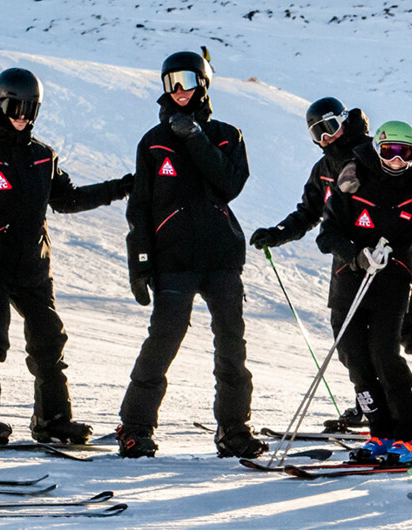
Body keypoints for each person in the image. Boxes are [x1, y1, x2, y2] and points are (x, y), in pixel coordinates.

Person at [249, 97, 412, 434]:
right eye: (318, 133)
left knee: (409, 334)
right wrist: (278, 234)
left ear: (344, 122)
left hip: (394, 263)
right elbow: (310, 213)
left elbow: (406, 194)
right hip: (349, 263)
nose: (327, 137)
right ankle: (371, 402)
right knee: (351, 342)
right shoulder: (323, 170)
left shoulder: (373, 152)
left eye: (330, 127)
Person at [0, 68, 133, 445]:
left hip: (33, 265)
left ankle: (52, 420)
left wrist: (120, 188)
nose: (23, 116)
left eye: (31, 109)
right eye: (16, 107)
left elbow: (67, 199)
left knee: (49, 338)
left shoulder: (42, 156)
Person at [118, 50, 266, 459]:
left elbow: (229, 184)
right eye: (170, 83)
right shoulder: (152, 142)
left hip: (220, 258)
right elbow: (140, 208)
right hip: (174, 260)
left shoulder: (226, 135)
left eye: (184, 80)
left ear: (202, 82)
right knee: (163, 341)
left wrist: (195, 138)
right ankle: (134, 429)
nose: (178, 90)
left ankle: (234, 429)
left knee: (231, 346)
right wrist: (141, 262)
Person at [317, 120, 412, 463]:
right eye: (389, 151)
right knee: (355, 359)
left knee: (385, 354)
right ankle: (381, 431)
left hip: (392, 282)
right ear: (378, 148)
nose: (396, 160)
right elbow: (327, 235)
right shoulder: (353, 181)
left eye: (405, 152)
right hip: (350, 282)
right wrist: (356, 255)